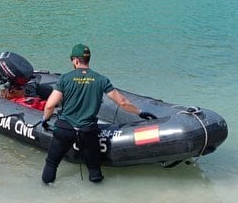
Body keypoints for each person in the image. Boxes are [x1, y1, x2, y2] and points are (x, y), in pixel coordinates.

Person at [40, 44, 157, 184]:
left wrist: (45, 120)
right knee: (94, 169)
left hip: (65, 128)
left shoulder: (65, 79)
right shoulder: (101, 79)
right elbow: (122, 102)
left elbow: (50, 105)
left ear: (76, 60)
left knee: (52, 163)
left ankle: (47, 193)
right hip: (88, 131)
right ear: (88, 59)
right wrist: (140, 112)